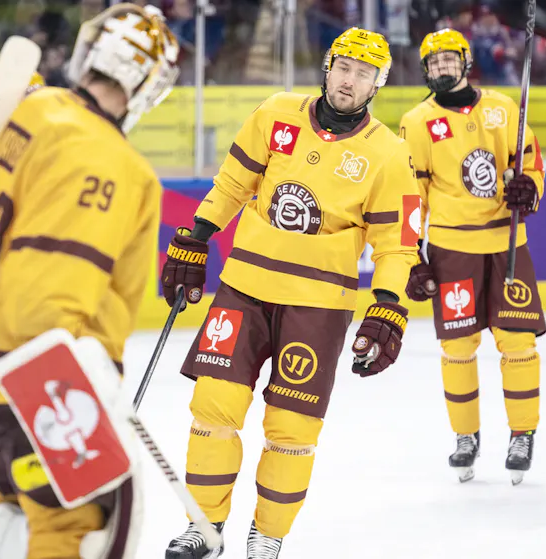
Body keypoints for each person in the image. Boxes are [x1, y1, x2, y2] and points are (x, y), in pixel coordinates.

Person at [162, 27, 419, 559]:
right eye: (344, 68)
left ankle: (267, 535)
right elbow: (233, 183)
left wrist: (388, 308)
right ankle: (203, 529)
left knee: (291, 429)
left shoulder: (390, 155)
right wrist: (196, 236)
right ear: (327, 68)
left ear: (378, 85)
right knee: (213, 407)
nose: (350, 82)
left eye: (364, 74)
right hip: (243, 288)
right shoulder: (277, 112)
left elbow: (396, 246)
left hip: (318, 306)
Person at [0, 5, 179, 558]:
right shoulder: (106, 158)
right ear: (149, 84)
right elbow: (48, 298)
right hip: (35, 385)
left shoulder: (37, 109)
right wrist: (88, 398)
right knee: (73, 529)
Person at [397, 28, 546, 486]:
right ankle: (466, 437)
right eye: (433, 62)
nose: (441, 68)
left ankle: (522, 433)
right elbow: (408, 195)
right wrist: (410, 257)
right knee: (458, 350)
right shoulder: (416, 122)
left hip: (506, 244)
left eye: (448, 60)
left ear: (465, 62)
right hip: (451, 248)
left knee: (518, 345)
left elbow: (531, 164)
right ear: (426, 70)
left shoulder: (504, 108)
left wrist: (529, 190)